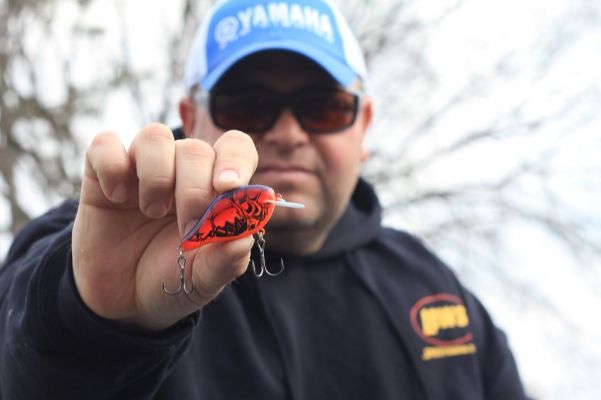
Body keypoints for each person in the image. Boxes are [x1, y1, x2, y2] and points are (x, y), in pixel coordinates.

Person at [0, 0, 529, 398]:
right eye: (249, 106)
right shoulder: (93, 241)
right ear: (191, 119)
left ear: (362, 124)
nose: (287, 133)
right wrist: (86, 319)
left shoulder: (435, 288)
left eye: (322, 107)